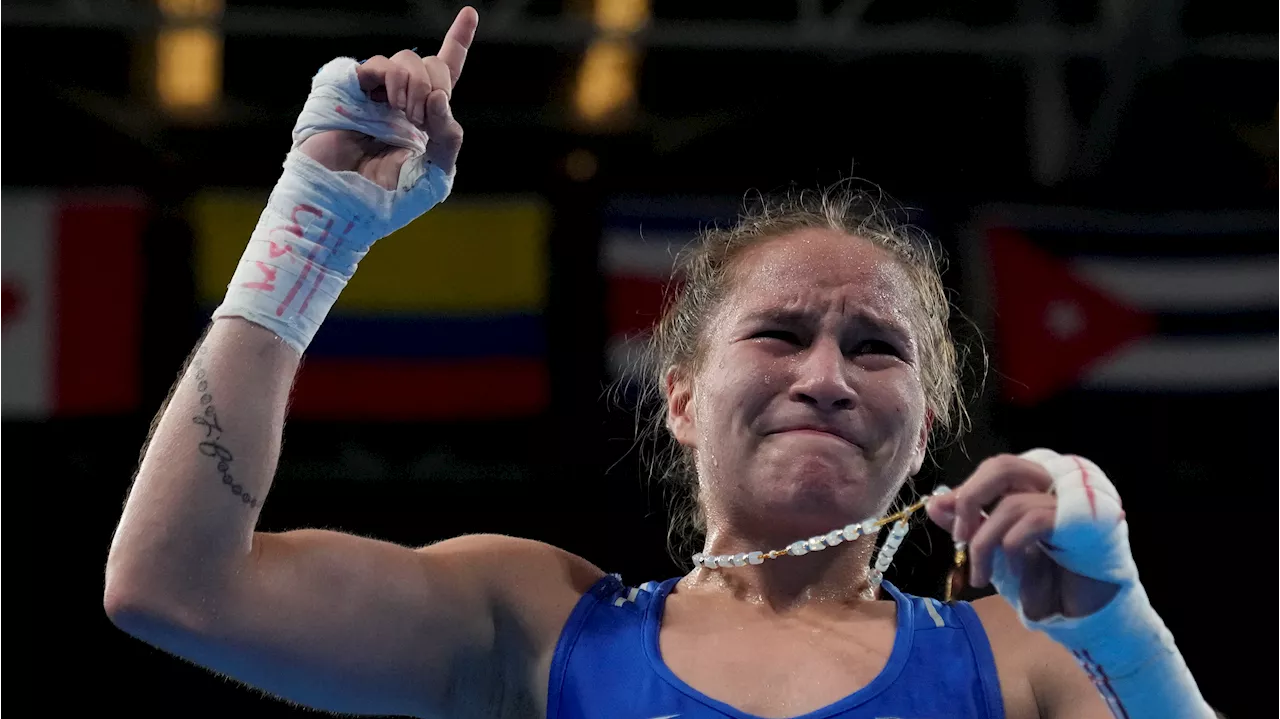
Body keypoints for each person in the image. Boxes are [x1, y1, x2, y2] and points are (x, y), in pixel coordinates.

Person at [104, 7, 1216, 718]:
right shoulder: (531, 623)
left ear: (921, 429)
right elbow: (175, 587)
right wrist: (310, 226)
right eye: (778, 333)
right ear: (678, 395)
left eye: (873, 348)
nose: (824, 374)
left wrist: (1119, 624)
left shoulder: (1024, 660)